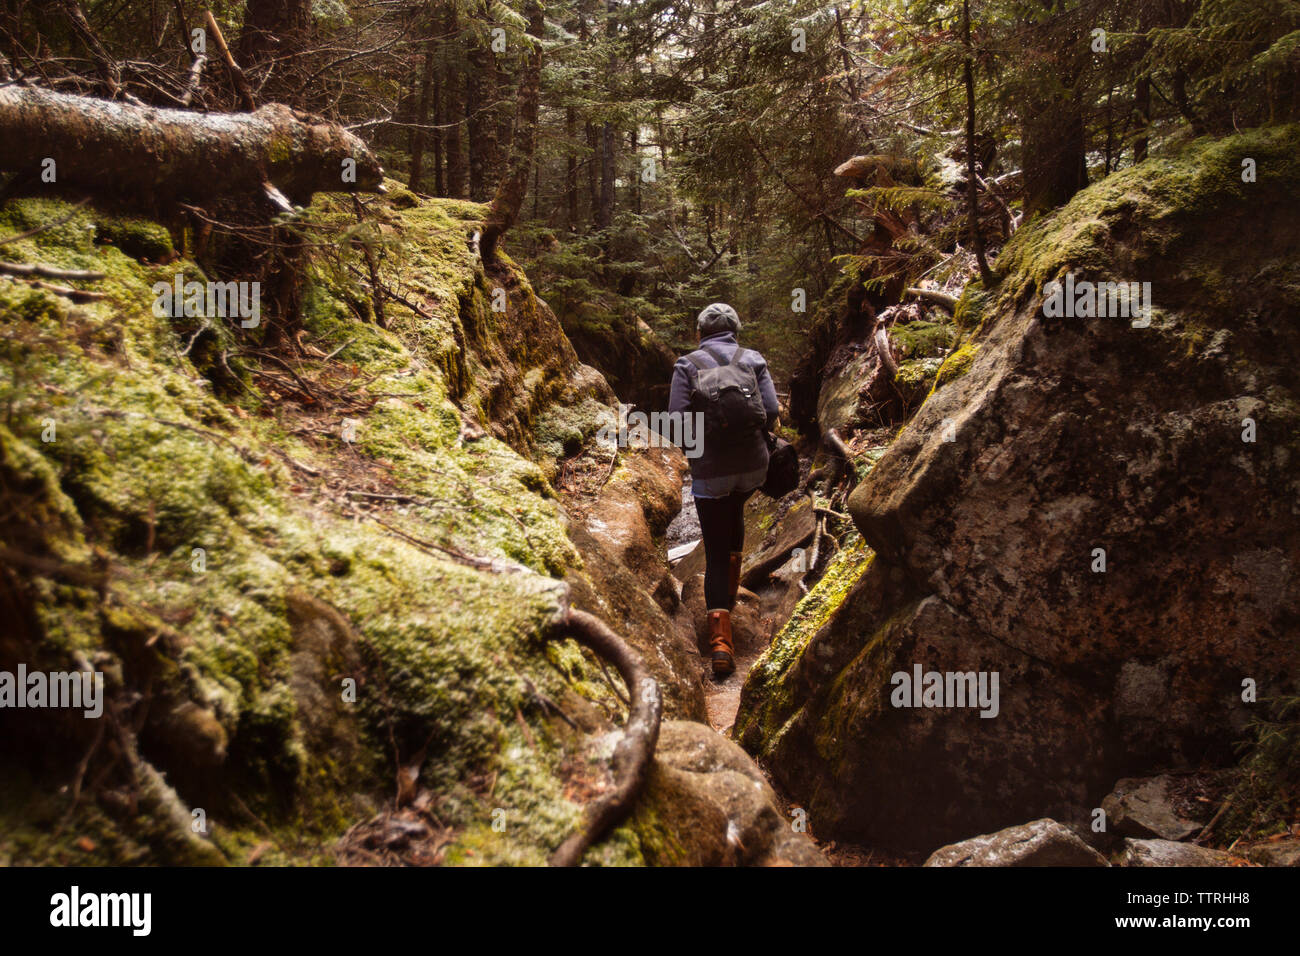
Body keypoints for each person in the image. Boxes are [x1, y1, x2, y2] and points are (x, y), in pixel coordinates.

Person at [668, 302, 780, 677]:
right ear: (736, 330)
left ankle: (720, 645)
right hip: (754, 469)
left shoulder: (687, 365)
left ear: (700, 332)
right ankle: (731, 599)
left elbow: (678, 426)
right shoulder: (753, 358)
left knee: (715, 550)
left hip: (712, 473)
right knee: (734, 515)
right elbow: (773, 409)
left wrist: (700, 453)